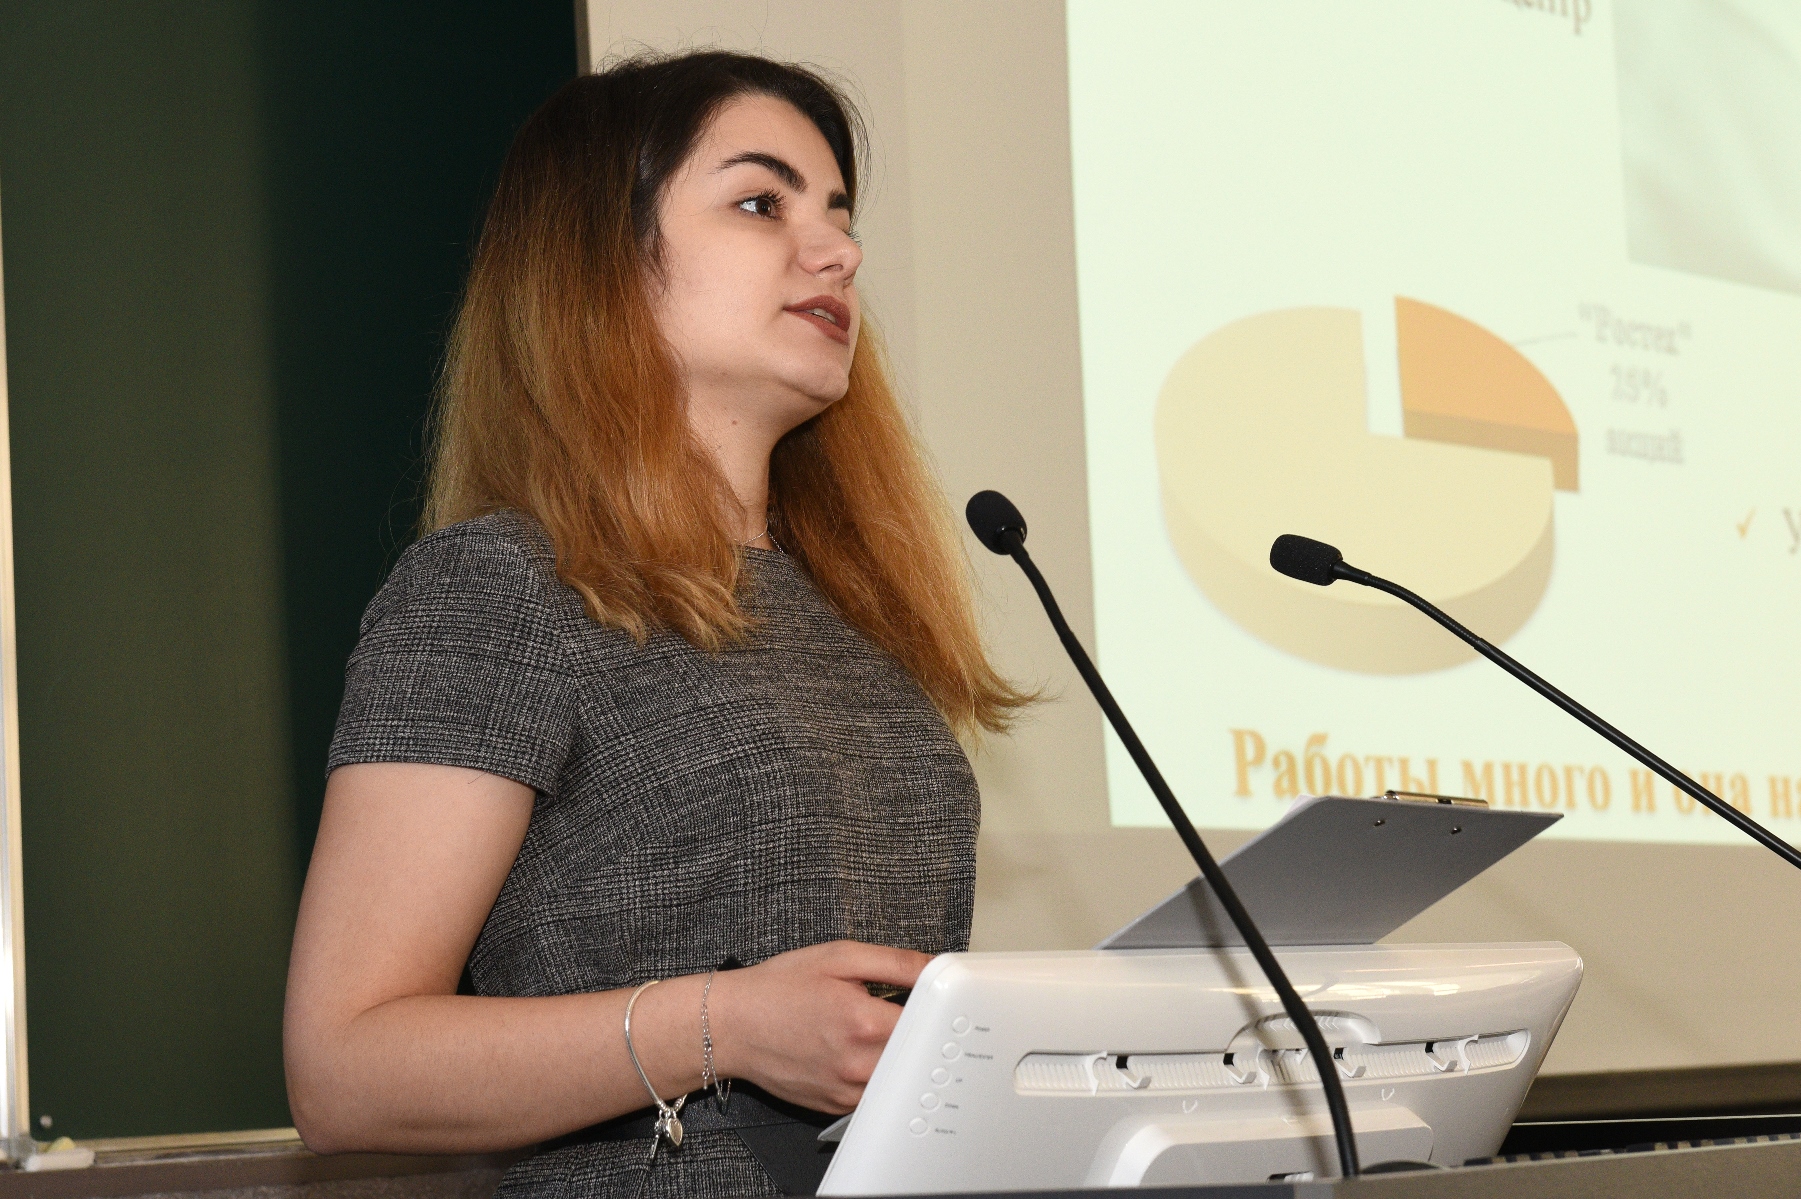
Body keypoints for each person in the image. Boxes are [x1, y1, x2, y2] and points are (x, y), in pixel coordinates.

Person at [282, 50, 1023, 1199]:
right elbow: (343, 1069)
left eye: (838, 215)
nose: (837, 251)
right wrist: (722, 1024)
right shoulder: (500, 588)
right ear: (603, 261)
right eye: (761, 202)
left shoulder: (851, 609)